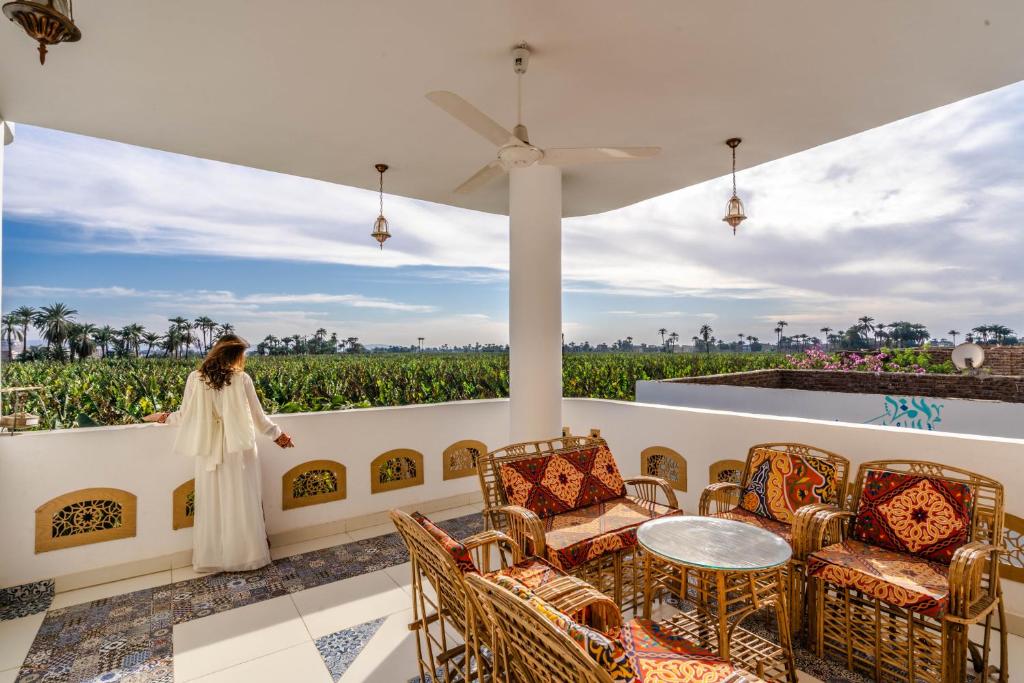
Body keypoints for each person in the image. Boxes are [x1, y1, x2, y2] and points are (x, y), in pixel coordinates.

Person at [144, 335, 294, 572]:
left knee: (211, 502)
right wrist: (279, 436)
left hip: (209, 448)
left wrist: (162, 417)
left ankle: (213, 558)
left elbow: (184, 416)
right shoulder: (241, 379)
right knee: (242, 500)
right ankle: (246, 555)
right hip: (238, 448)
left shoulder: (195, 378)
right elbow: (258, 417)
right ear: (235, 355)